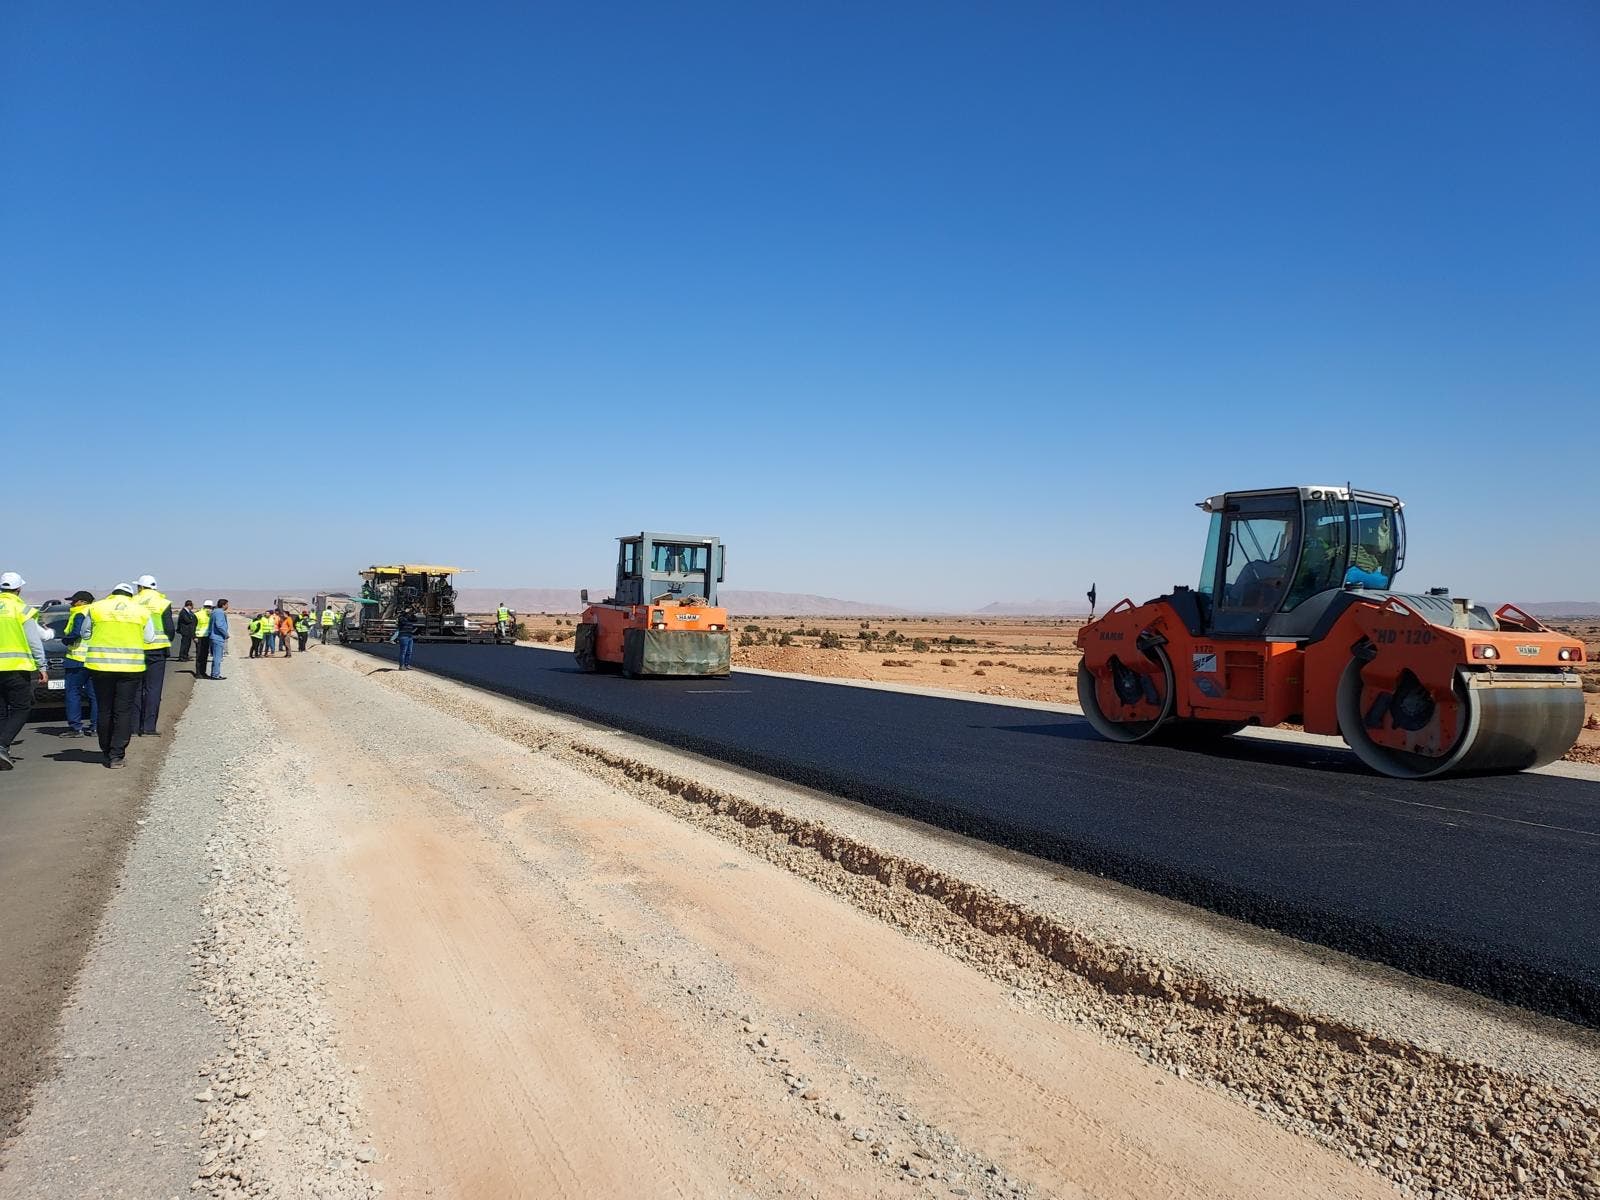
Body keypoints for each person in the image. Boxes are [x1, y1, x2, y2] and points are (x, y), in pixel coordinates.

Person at [82, 583, 158, 769]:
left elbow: (85, 634)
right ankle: (117, 755)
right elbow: (149, 638)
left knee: (104, 709)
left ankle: (106, 749)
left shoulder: (96, 608)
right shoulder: (140, 611)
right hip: (130, 668)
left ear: (112, 594)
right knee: (123, 711)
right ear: (131, 596)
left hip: (100, 667)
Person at [0, 572, 50, 770]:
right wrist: (42, 666)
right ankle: (2, 745)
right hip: (16, 668)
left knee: (1, 711)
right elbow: (34, 641)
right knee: (22, 708)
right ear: (19, 589)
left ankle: (4, 749)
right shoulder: (21, 609)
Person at [133, 574, 174, 737]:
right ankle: (149, 727)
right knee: (153, 689)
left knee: (136, 689)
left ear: (141, 587)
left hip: (136, 650)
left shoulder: (133, 602)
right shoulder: (163, 602)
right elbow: (169, 628)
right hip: (157, 651)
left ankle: (134, 727)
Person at [60, 590, 100, 737]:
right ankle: (96, 727)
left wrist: (66, 640)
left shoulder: (80, 613)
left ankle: (76, 728)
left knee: (73, 693)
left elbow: (77, 633)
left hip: (77, 660)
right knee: (94, 695)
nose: (71, 603)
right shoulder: (97, 613)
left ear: (83, 602)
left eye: (74, 601)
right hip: (94, 659)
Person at [208, 600, 230, 679]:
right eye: (227, 604)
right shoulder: (219, 613)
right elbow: (219, 625)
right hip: (217, 637)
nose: (228, 606)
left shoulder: (214, 612)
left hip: (214, 636)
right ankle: (215, 674)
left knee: (216, 656)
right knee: (218, 657)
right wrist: (225, 634)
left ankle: (214, 673)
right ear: (223, 605)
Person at [194, 600, 213, 678]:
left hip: (207, 637)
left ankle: (203, 672)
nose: (210, 609)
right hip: (199, 637)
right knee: (199, 656)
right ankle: (198, 673)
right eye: (209, 607)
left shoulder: (210, 615)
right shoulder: (197, 614)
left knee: (205, 655)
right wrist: (194, 637)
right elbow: (193, 626)